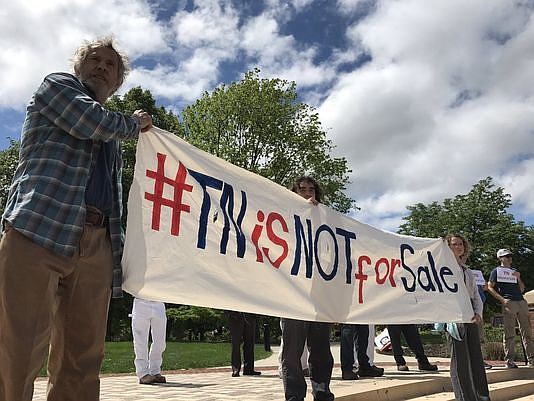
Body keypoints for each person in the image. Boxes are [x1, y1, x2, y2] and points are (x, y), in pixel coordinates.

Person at [0, 37, 153, 401]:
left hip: (97, 242)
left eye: (110, 64)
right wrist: (134, 124)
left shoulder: (112, 137)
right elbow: (88, 120)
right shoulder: (58, 87)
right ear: (78, 68)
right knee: (17, 348)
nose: (101, 66)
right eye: (94, 59)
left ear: (117, 82)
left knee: (83, 358)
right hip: (37, 229)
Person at [280, 176, 334, 401]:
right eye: (302, 190)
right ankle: (294, 397)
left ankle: (322, 393)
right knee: (292, 353)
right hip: (292, 295)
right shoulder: (282, 217)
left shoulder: (326, 223)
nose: (308, 194)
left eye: (311, 190)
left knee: (321, 351)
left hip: (318, 297)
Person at [446, 234, 490, 401]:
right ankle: (464, 397)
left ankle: (482, 395)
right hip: (453, 317)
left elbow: (476, 296)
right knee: (460, 361)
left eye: (461, 244)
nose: (459, 247)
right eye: (454, 244)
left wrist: (478, 313)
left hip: (470, 316)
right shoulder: (442, 269)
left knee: (476, 358)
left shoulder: (468, 271)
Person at [487, 248, 534, 368]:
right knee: (509, 332)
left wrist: (518, 278)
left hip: (521, 301)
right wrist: (502, 300)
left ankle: (531, 359)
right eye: (506, 256)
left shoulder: (514, 271)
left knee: (527, 331)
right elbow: (490, 287)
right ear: (500, 258)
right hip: (509, 302)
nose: (509, 258)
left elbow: (522, 289)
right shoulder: (496, 271)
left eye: (510, 256)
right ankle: (509, 360)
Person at [131, 298, 167, 384]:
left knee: (160, 342)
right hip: (140, 302)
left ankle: (155, 371)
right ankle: (142, 373)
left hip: (159, 302)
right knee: (140, 341)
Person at [227, 311, 261, 377]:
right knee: (236, 344)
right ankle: (236, 369)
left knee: (249, 343)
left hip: (250, 316)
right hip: (235, 316)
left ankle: (249, 369)